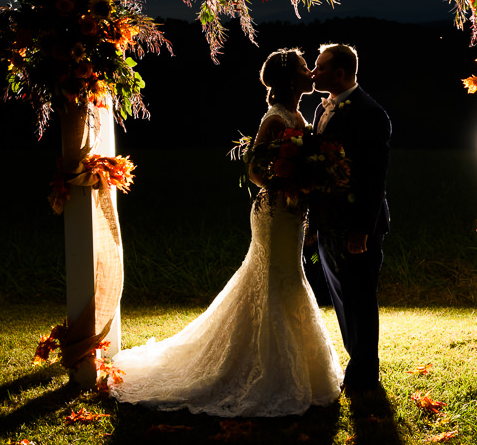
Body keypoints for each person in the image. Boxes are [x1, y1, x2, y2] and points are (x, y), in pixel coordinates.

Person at [110, 48, 343, 417]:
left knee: (286, 277)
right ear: (290, 79)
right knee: (277, 279)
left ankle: (298, 367)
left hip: (292, 213)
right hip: (275, 212)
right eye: (304, 68)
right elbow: (254, 170)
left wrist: (306, 185)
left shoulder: (298, 113)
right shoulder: (276, 119)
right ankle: (270, 369)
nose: (311, 72)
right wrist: (287, 184)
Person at [310, 43, 391, 393]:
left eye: (320, 67)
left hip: (357, 224)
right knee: (342, 297)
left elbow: (374, 178)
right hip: (328, 223)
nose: (314, 73)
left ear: (339, 73)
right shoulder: (321, 109)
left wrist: (361, 230)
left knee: (360, 297)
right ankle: (356, 362)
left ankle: (364, 375)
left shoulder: (370, 114)